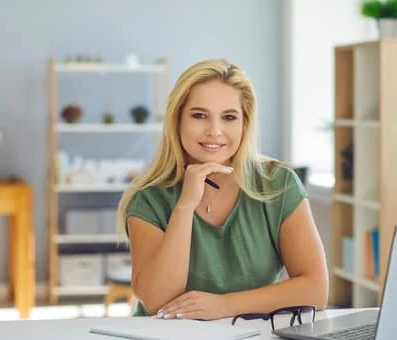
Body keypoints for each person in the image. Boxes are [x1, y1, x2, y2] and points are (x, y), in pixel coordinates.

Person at [117, 59, 329, 320]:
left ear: (244, 123)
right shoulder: (148, 198)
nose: (215, 131)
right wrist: (185, 206)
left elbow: (316, 290)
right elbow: (157, 301)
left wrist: (225, 306)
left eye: (229, 117)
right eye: (199, 115)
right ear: (177, 120)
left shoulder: (278, 183)